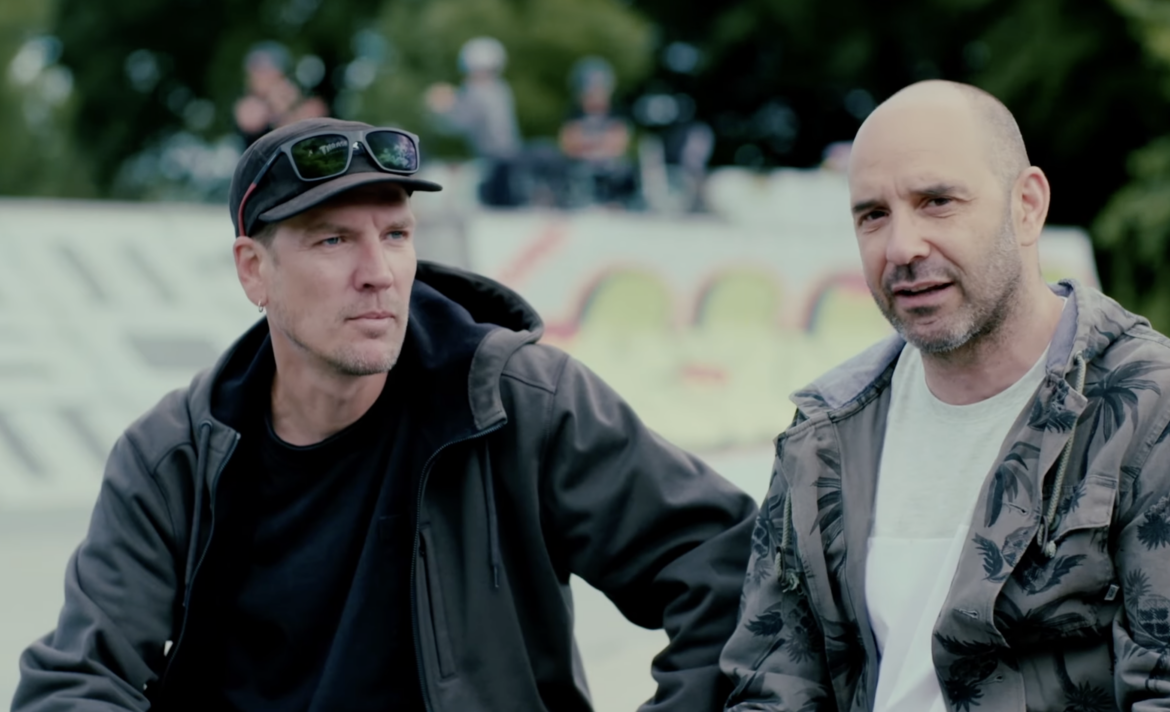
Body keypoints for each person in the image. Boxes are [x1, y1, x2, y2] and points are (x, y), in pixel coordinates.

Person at [13, 118, 757, 711]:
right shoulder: (173, 456)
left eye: (396, 235)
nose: (378, 274)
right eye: (333, 239)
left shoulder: (519, 402)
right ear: (254, 270)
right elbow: (76, 680)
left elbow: (728, 570)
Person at [720, 80, 1170, 711]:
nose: (902, 247)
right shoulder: (825, 432)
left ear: (1027, 205)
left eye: (936, 202)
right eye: (873, 215)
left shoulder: (1145, 407)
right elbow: (771, 687)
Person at [425, 36, 523, 207]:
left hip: (495, 161)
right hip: (509, 157)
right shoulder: (501, 88)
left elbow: (458, 124)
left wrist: (441, 110)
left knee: (497, 207)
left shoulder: (476, 91)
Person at [559, 56, 638, 207]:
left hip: (609, 166)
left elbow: (619, 144)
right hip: (581, 166)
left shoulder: (617, 113)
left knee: (624, 169)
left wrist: (589, 145)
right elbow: (569, 145)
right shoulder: (574, 114)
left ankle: (618, 203)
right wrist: (598, 145)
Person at [233, 42, 328, 147]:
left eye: (265, 71)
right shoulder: (249, 105)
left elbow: (316, 116)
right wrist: (275, 106)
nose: (260, 77)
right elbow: (250, 119)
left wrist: (291, 108)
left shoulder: (297, 98)